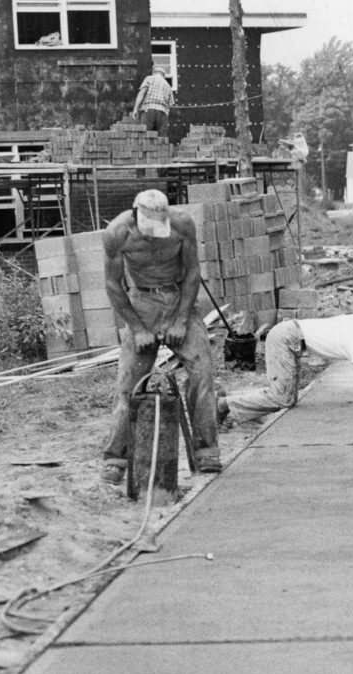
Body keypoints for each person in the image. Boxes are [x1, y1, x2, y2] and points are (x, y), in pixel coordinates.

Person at [99, 189, 222, 485]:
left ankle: (206, 452)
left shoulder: (182, 224)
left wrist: (181, 320)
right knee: (127, 385)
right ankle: (116, 459)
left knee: (203, 375)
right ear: (135, 213)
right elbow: (113, 284)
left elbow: (193, 272)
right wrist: (138, 329)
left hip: (179, 298)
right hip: (142, 303)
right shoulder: (117, 233)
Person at [216, 316, 353, 424]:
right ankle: (223, 404)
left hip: (289, 336)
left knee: (287, 398)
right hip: (286, 339)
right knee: (282, 398)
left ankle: (228, 399)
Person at [132, 65, 175, 138]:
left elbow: (142, 93)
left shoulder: (149, 79)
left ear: (154, 72)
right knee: (161, 139)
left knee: (146, 137)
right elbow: (170, 104)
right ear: (163, 75)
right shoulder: (167, 85)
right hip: (162, 113)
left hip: (148, 110)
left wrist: (135, 109)